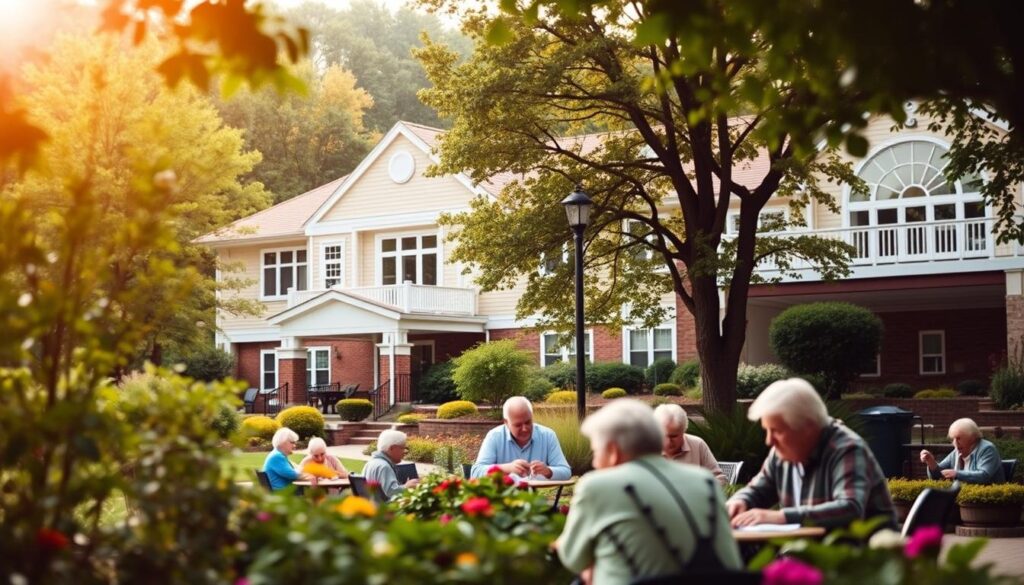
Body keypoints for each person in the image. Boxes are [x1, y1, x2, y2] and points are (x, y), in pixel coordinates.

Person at [555, 399, 742, 585]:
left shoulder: (596, 486)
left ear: (613, 450)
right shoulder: (706, 482)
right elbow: (731, 565)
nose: (595, 462)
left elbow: (573, 558)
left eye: (596, 452)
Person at [726, 378, 896, 530]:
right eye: (767, 431)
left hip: (862, 561)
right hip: (808, 556)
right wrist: (740, 501)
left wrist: (781, 517)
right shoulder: (782, 454)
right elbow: (758, 490)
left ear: (807, 427)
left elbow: (850, 509)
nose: (769, 441)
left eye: (776, 431)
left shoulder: (847, 449)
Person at [471, 396, 571, 480]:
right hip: (502, 499)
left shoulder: (548, 435)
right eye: (518, 425)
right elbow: (475, 473)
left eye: (528, 422)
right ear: (506, 422)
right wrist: (506, 468)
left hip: (537, 499)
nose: (525, 429)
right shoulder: (494, 436)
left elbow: (566, 471)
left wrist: (548, 472)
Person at [653, 403, 728, 487]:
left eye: (673, 436)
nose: (668, 441)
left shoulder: (697, 444)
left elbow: (720, 478)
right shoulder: (645, 449)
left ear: (684, 431)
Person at [920, 418, 1005, 484]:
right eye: (953, 439)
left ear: (972, 438)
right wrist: (930, 462)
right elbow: (939, 475)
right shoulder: (957, 451)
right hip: (963, 498)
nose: (955, 443)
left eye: (959, 438)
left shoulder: (987, 449)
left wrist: (956, 474)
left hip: (985, 501)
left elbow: (984, 476)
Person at [362, 429, 419, 500]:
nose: (405, 451)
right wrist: (407, 487)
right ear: (392, 448)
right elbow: (390, 493)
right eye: (403, 448)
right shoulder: (384, 467)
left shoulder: (370, 463)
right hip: (384, 509)